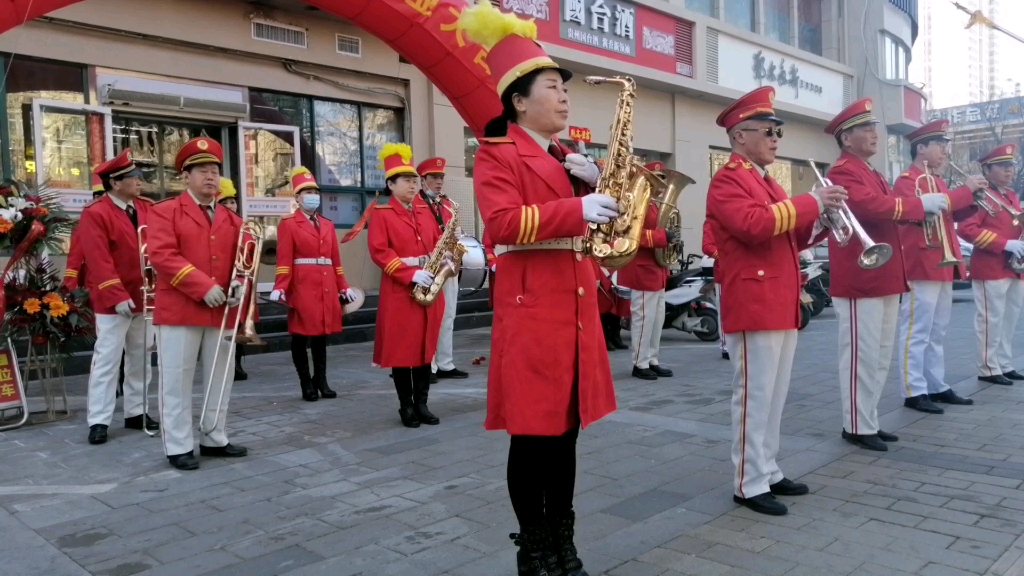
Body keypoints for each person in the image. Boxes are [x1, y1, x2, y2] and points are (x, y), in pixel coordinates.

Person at [461, 2, 617, 574]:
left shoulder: (569, 157)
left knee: (568, 434)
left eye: (564, 87)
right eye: (552, 86)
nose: (564, 95)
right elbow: (502, 226)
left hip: (574, 310)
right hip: (532, 313)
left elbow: (601, 228)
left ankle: (563, 536)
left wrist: (595, 186)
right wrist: (576, 206)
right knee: (531, 437)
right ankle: (533, 546)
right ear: (519, 101)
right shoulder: (498, 153)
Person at [706, 86, 847, 516]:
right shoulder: (729, 178)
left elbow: (786, 234)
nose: (775, 139)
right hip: (754, 298)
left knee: (775, 394)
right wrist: (809, 202)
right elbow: (753, 225)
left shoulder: (764, 180)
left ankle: (767, 467)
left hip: (778, 296)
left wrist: (819, 218)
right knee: (755, 394)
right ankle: (747, 482)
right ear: (739, 136)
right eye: (767, 131)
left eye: (776, 132)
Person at [822, 99, 962, 451]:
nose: (874, 134)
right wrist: (918, 206)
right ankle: (855, 424)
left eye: (874, 128)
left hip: (881, 275)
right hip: (860, 279)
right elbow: (870, 206)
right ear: (846, 138)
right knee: (861, 355)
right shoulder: (843, 171)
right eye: (865, 129)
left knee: (880, 355)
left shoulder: (871, 171)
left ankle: (867, 419)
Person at [148, 137, 247, 471]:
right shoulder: (164, 212)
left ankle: (214, 436)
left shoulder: (233, 220)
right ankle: (177, 445)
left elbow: (241, 263)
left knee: (221, 377)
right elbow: (161, 255)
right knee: (176, 379)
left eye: (215, 171)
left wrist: (238, 284)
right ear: (185, 176)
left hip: (221, 311)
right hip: (180, 309)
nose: (210, 176)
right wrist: (202, 286)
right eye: (202, 170)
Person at [894, 119, 985, 414]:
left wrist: (974, 200)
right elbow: (926, 209)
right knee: (916, 330)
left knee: (937, 330)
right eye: (940, 145)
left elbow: (950, 214)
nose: (945, 151)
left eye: (945, 146)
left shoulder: (939, 181)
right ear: (921, 149)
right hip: (921, 262)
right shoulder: (908, 180)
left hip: (943, 263)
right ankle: (914, 390)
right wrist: (964, 192)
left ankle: (936, 384)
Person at [78, 151, 159, 445]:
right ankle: (99, 419)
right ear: (114, 182)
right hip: (113, 300)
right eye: (134, 177)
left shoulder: (147, 208)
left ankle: (136, 412)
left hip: (145, 295)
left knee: (141, 357)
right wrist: (115, 294)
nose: (140, 181)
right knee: (107, 360)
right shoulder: (95, 213)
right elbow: (98, 259)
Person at [368, 143, 445, 429]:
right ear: (391, 184)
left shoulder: (425, 210)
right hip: (401, 290)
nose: (414, 185)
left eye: (415, 180)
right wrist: (409, 273)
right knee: (403, 351)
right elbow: (379, 251)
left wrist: (446, 256)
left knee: (425, 349)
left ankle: (423, 403)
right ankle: (406, 406)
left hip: (430, 286)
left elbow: (438, 240)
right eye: (407, 180)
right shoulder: (381, 212)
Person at [270, 167, 357, 401]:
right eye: (306, 191)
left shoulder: (327, 224)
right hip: (302, 284)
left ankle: (322, 380)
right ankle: (305, 382)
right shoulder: (288, 223)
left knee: (321, 336)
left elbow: (335, 260)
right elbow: (284, 259)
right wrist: (280, 286)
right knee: (300, 335)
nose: (312, 196)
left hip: (326, 283)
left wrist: (344, 285)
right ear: (297, 197)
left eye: (315, 191)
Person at [958, 144, 1024, 386]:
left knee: (1009, 319)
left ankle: (1004, 363)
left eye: (1011, 166)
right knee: (990, 319)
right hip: (990, 265)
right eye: (1003, 166)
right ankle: (988, 367)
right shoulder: (979, 195)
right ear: (987, 169)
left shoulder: (1011, 196)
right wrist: (1004, 244)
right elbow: (966, 229)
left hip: (1013, 268)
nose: (1009, 171)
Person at [618, 161, 677, 380]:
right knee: (643, 318)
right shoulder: (637, 203)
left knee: (657, 318)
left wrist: (670, 239)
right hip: (642, 270)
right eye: (658, 177)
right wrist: (662, 238)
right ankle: (639, 363)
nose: (662, 183)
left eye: (663, 177)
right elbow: (629, 235)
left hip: (656, 270)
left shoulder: (654, 204)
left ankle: (652, 359)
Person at [416, 157, 469, 381]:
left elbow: (452, 232)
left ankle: (445, 363)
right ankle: (428, 364)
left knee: (448, 316)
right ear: (422, 180)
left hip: (447, 267)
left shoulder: (446, 206)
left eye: (441, 178)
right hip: (428, 268)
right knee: (429, 319)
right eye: (434, 178)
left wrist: (459, 237)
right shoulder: (415, 205)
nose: (439, 182)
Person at [216, 177, 250, 382]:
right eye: (225, 202)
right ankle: (224, 363)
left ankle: (237, 362)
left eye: (233, 201)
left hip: (242, 280)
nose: (230, 205)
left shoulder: (243, 224)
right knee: (226, 324)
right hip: (224, 281)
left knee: (240, 324)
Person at [702, 220, 728, 360]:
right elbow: (707, 246)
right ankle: (726, 347)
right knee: (725, 311)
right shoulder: (713, 221)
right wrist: (728, 256)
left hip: (742, 272)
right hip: (725, 272)